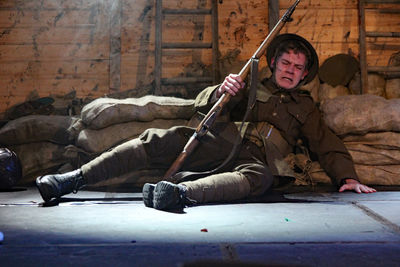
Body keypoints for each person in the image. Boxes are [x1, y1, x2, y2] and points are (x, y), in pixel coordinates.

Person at [36, 33, 376, 210]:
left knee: (260, 179)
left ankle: (179, 195)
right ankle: (70, 181)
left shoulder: (306, 107)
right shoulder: (250, 82)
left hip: (255, 158)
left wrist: (348, 177)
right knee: (158, 138)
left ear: (304, 75)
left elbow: (326, 143)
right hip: (217, 143)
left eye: (297, 67)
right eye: (285, 63)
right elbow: (207, 105)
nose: (290, 70)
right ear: (273, 63)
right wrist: (222, 90)